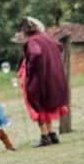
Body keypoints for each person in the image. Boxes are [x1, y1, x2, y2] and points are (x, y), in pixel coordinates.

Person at [16, 17, 69, 146]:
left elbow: (36, 53)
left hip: (38, 79)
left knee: (37, 105)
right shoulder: (46, 37)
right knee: (46, 107)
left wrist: (29, 69)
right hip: (51, 78)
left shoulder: (33, 41)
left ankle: (44, 136)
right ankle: (51, 134)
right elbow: (59, 47)